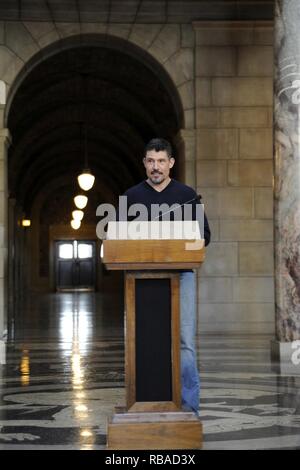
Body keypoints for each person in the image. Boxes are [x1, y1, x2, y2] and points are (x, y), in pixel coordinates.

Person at [122, 137, 211, 415]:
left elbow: (204, 236)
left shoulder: (187, 195)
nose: (156, 166)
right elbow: (120, 241)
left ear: (171, 163)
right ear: (144, 163)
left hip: (181, 277)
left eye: (161, 161)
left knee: (184, 341)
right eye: (151, 161)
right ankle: (146, 403)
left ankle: (189, 407)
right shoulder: (131, 197)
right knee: (144, 340)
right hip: (142, 280)